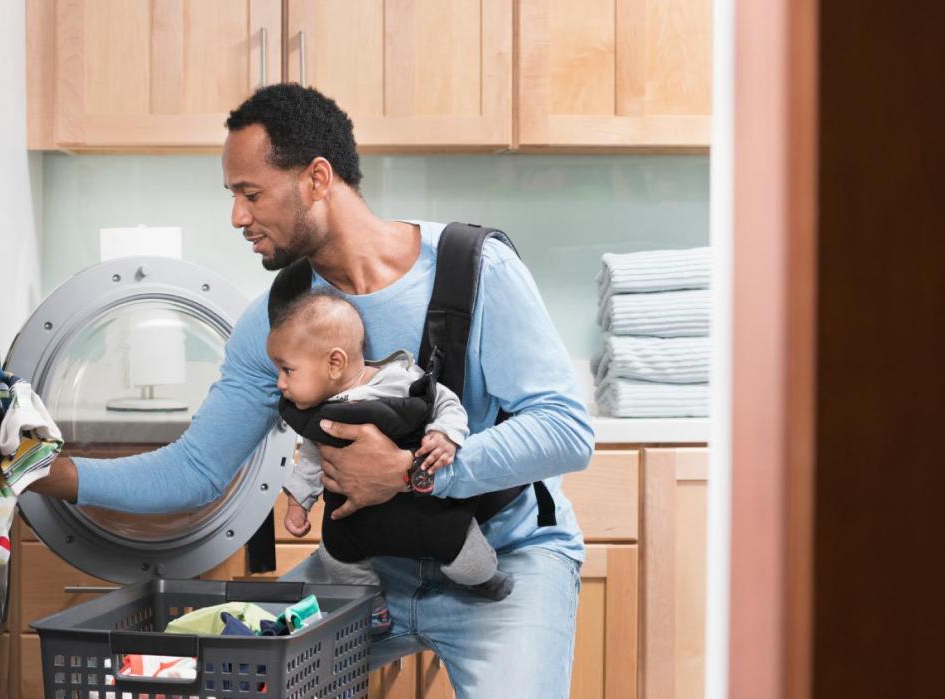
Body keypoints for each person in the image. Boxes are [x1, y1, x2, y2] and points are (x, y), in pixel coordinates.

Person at [29, 83, 594, 698]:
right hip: (367, 571)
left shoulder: (476, 270)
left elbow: (566, 430)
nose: (238, 217)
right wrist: (49, 476)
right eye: (233, 196)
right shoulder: (278, 324)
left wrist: (412, 473)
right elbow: (197, 469)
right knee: (227, 683)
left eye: (251, 193)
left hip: (505, 562)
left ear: (317, 179)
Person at [268, 290, 516, 636]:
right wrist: (298, 502)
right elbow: (311, 459)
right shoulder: (317, 414)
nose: (280, 383)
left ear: (334, 363)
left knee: (464, 558)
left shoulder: (398, 379)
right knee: (335, 559)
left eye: (287, 370)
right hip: (353, 521)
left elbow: (444, 401)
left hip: (426, 512)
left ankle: (485, 577)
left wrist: (445, 435)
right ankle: (372, 604)